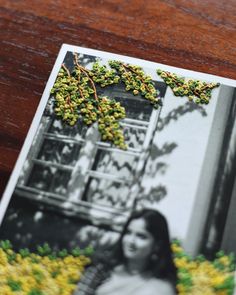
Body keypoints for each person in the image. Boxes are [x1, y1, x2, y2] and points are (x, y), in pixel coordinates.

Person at [75, 209, 177, 295]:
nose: (131, 241)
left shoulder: (160, 288)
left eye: (141, 236)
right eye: (128, 233)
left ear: (157, 245)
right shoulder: (101, 271)